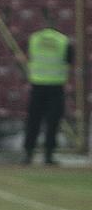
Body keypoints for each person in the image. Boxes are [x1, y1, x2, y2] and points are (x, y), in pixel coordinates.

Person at [19, 13, 74, 166]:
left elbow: (26, 56)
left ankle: (28, 154)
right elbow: (70, 61)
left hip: (37, 85)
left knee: (33, 121)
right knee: (53, 123)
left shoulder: (34, 39)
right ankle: (48, 155)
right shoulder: (63, 41)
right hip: (56, 86)